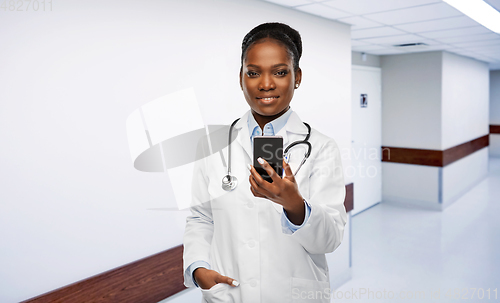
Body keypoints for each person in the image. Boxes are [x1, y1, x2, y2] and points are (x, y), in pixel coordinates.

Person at [183, 22, 347, 303]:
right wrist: (198, 268)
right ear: (241, 78)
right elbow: (200, 217)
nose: (266, 83)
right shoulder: (211, 144)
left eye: (280, 72)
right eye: (254, 72)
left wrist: (295, 204)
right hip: (229, 293)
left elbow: (329, 240)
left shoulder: (321, 147)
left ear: (297, 77)